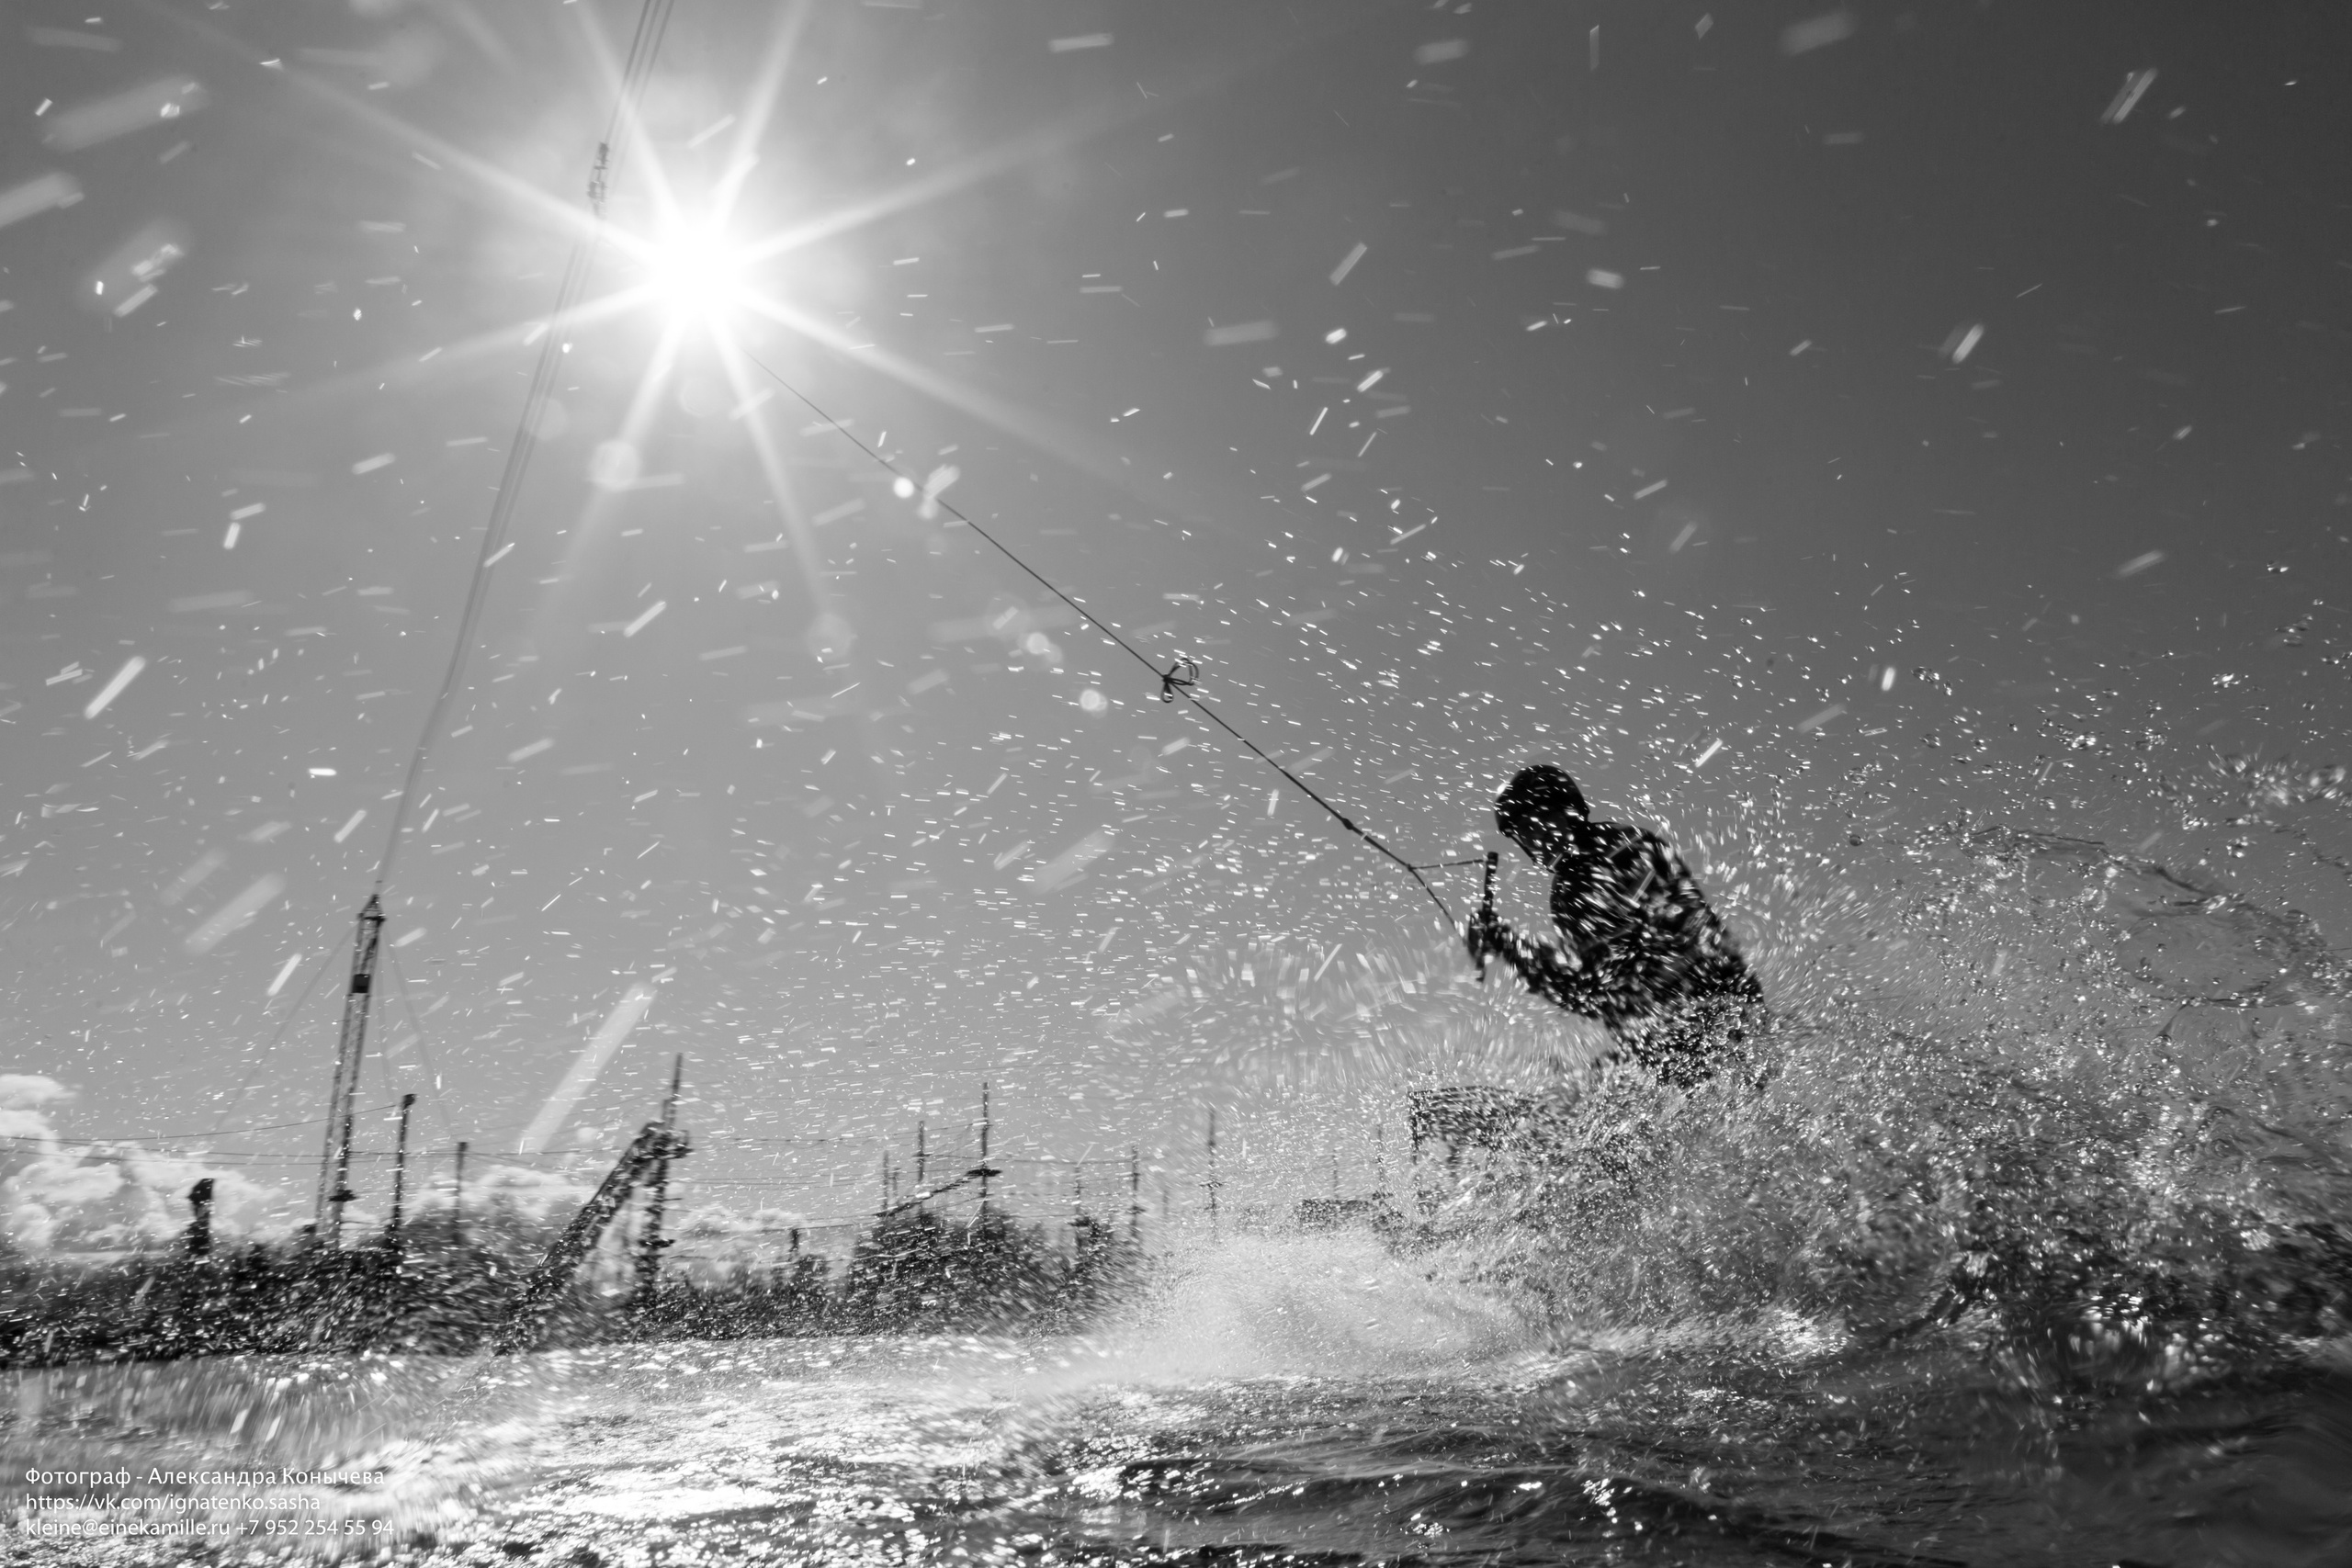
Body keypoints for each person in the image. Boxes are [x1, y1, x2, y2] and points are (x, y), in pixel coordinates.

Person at [1465, 763, 1765, 1088]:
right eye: (1524, 832)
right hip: (1728, 1013)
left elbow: (1595, 991)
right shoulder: (1627, 841)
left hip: (1695, 1028)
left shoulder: (1585, 874)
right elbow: (1604, 981)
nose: (1537, 838)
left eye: (1541, 822)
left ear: (1570, 810)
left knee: (1596, 1088)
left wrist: (1511, 948)